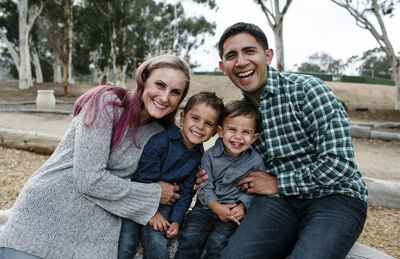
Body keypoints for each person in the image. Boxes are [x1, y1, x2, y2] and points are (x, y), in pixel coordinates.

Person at [195, 22, 368, 259]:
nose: (241, 62)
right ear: (223, 67)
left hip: (334, 197)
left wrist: (280, 183)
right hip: (278, 203)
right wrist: (207, 175)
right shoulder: (240, 116)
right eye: (231, 56)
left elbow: (340, 164)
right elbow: (234, 160)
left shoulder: (308, 91)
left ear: (268, 56)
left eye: (249, 51)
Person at [0, 55, 192, 259]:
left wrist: (202, 173)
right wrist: (153, 195)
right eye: (159, 85)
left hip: (96, 232)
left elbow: (178, 169)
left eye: (175, 92)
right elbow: (89, 178)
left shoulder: (161, 133)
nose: (164, 97)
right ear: (143, 79)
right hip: (45, 218)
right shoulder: (107, 104)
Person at [118, 91, 224, 259]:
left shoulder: (200, 157)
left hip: (166, 205)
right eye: (195, 118)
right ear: (182, 118)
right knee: (126, 244)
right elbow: (142, 180)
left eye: (208, 123)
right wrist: (151, 213)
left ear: (215, 132)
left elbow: (187, 191)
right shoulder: (160, 142)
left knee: (157, 241)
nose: (200, 126)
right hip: (138, 201)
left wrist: (176, 220)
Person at [176, 100, 266, 259]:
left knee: (218, 242)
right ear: (221, 131)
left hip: (232, 211)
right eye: (232, 129)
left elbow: (254, 188)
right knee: (191, 236)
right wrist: (216, 206)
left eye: (246, 132)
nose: (238, 137)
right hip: (205, 208)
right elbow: (204, 183)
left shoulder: (256, 161)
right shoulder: (209, 156)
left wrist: (243, 206)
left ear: (254, 137)